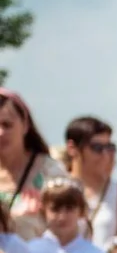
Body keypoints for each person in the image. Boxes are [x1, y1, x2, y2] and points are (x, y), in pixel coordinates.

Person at [0, 89, 67, 240]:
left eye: (7, 125)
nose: (1, 132)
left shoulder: (50, 172)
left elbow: (75, 227)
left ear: (25, 125)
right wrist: (13, 217)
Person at [64, 116, 117, 248]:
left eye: (110, 147)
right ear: (72, 148)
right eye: (97, 148)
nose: (106, 154)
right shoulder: (58, 188)